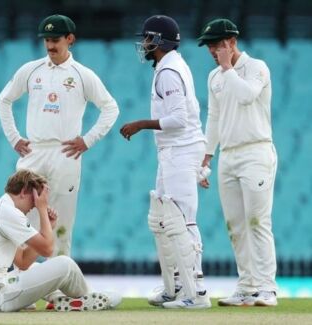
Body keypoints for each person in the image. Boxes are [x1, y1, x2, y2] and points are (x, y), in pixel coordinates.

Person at [0, 14, 119, 260]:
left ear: (70, 39)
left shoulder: (82, 74)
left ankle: (58, 285)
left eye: (55, 40)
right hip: (34, 152)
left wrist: (88, 140)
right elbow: (3, 99)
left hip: (65, 153)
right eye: (47, 40)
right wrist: (14, 138)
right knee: (22, 218)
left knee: (62, 221)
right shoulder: (31, 70)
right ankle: (24, 281)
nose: (50, 46)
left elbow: (111, 108)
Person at [119, 15, 211, 309]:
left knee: (183, 221)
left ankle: (195, 292)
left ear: (159, 41)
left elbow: (179, 119)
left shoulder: (169, 71)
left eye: (147, 39)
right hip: (173, 152)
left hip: (181, 151)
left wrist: (140, 124)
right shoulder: (168, 66)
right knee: (162, 219)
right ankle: (174, 287)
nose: (144, 44)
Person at [197, 18, 278, 307]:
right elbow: (215, 118)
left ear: (231, 42)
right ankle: (246, 287)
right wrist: (207, 155)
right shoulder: (214, 77)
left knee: (257, 221)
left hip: (256, 151)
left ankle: (267, 288)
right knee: (235, 225)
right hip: (229, 156)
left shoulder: (256, 67)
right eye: (209, 46)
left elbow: (247, 97)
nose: (212, 51)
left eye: (217, 45)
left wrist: (229, 67)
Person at [0, 169, 121, 312]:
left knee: (34, 267)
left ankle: (61, 299)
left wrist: (48, 227)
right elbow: (47, 249)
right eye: (35, 198)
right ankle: (90, 297)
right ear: (24, 191)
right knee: (65, 265)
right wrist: (43, 209)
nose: (35, 205)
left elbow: (23, 261)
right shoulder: (8, 212)